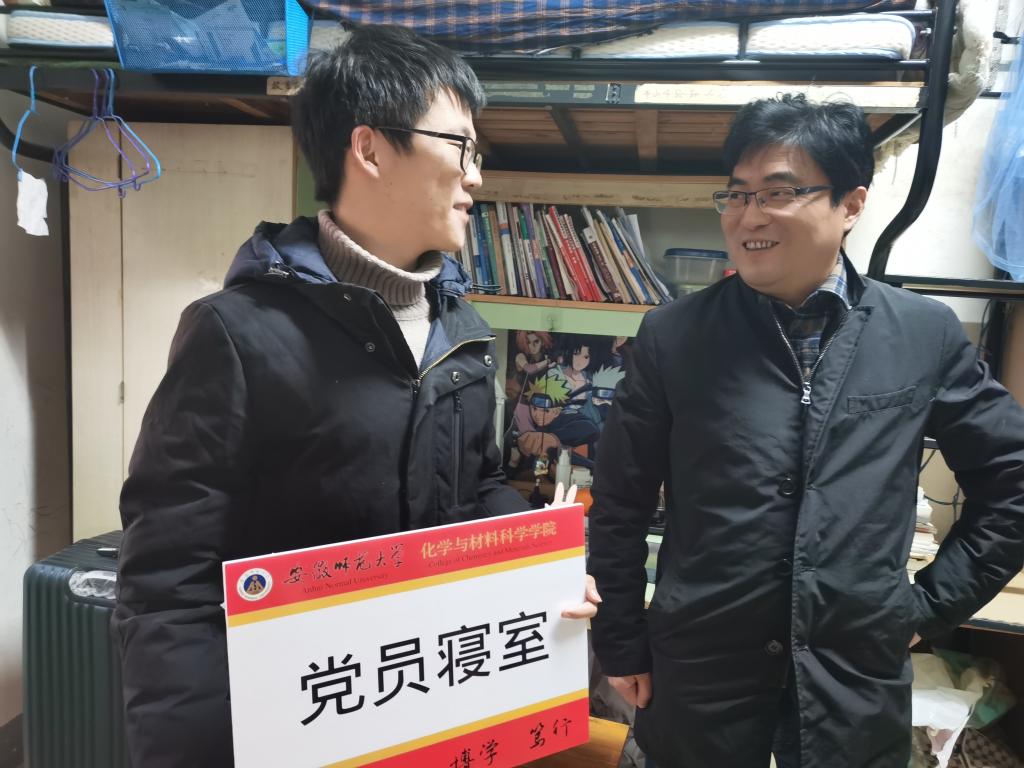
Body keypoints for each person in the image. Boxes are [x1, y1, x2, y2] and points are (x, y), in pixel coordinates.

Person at [112, 24, 597, 768]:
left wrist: (540, 559)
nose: (476, 177)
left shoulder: (463, 332)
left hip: (424, 701)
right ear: (369, 149)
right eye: (462, 147)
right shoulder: (236, 333)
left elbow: (476, 489)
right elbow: (168, 579)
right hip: (298, 720)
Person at [587, 93, 1024, 768]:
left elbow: (1013, 483)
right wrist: (620, 642)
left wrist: (927, 607)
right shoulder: (673, 335)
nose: (749, 216)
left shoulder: (922, 334)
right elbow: (619, 503)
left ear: (851, 204)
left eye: (779, 192)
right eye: (737, 194)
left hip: (852, 684)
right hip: (701, 675)